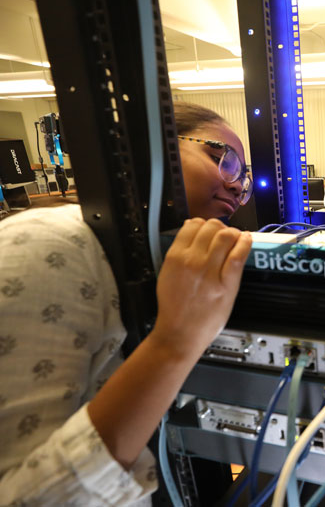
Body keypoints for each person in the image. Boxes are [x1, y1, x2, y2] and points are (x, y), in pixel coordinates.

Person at [0, 101, 253, 505]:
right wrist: (176, 342)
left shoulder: (155, 260)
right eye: (223, 159)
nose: (239, 186)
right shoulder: (49, 243)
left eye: (243, 178)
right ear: (153, 147)